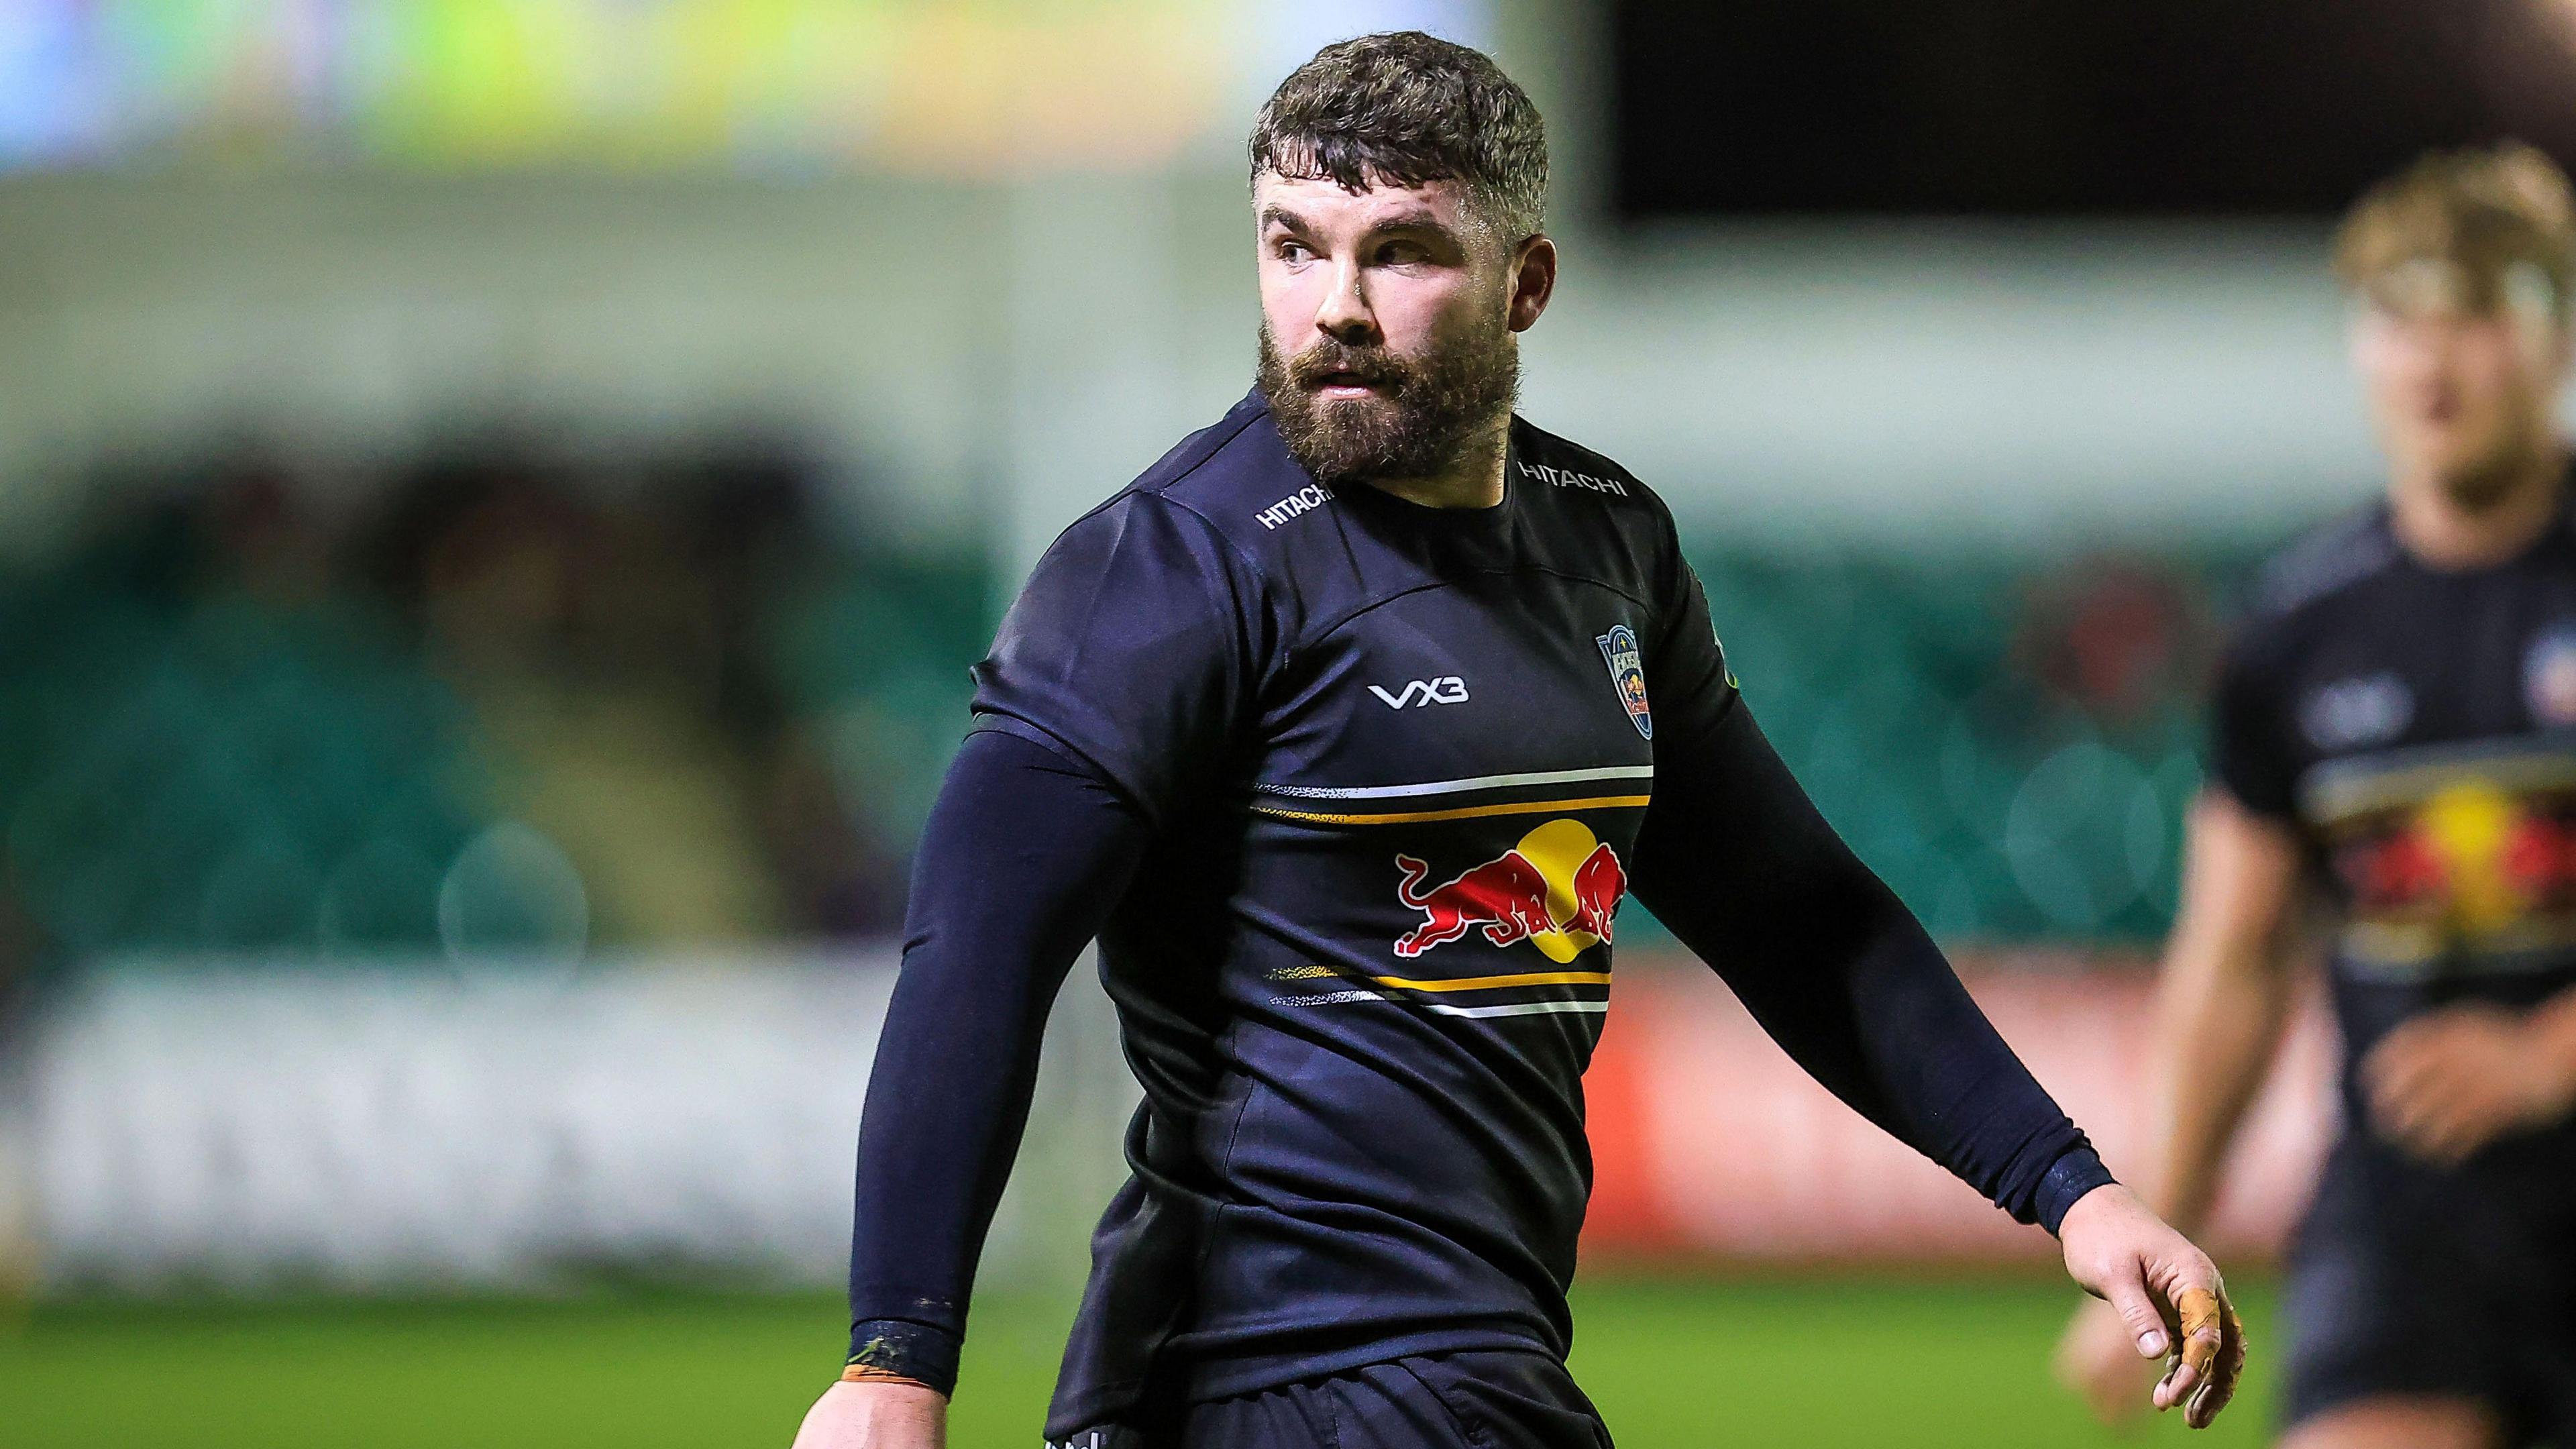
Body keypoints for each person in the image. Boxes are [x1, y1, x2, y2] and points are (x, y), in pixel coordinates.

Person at [796, 32, 2243, 1449]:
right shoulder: (1165, 573)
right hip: (1252, 1371)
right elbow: (974, 958)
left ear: (1527, 282)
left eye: (1402, 252)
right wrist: (894, 1359)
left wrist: (2074, 1192)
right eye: (1294, 246)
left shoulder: (1607, 547)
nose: (1335, 307)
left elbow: (1804, 924)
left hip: (1477, 1365)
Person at [2057, 143, 2576, 1448]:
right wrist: (2158, 1224)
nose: (2433, 361)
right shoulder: (2298, 631)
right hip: (2409, 1221)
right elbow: (2232, 964)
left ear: (2556, 336)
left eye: (2479, 313)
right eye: (2400, 317)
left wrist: (2544, 1056)